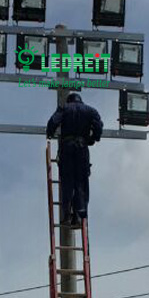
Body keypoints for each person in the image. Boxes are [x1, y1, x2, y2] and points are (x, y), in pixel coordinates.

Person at [46, 92, 103, 227]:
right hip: (82, 149)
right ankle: (79, 216)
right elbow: (99, 127)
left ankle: (66, 214)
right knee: (81, 183)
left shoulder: (64, 108)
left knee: (67, 183)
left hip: (67, 148)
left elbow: (52, 123)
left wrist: (50, 133)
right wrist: (93, 138)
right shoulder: (90, 111)